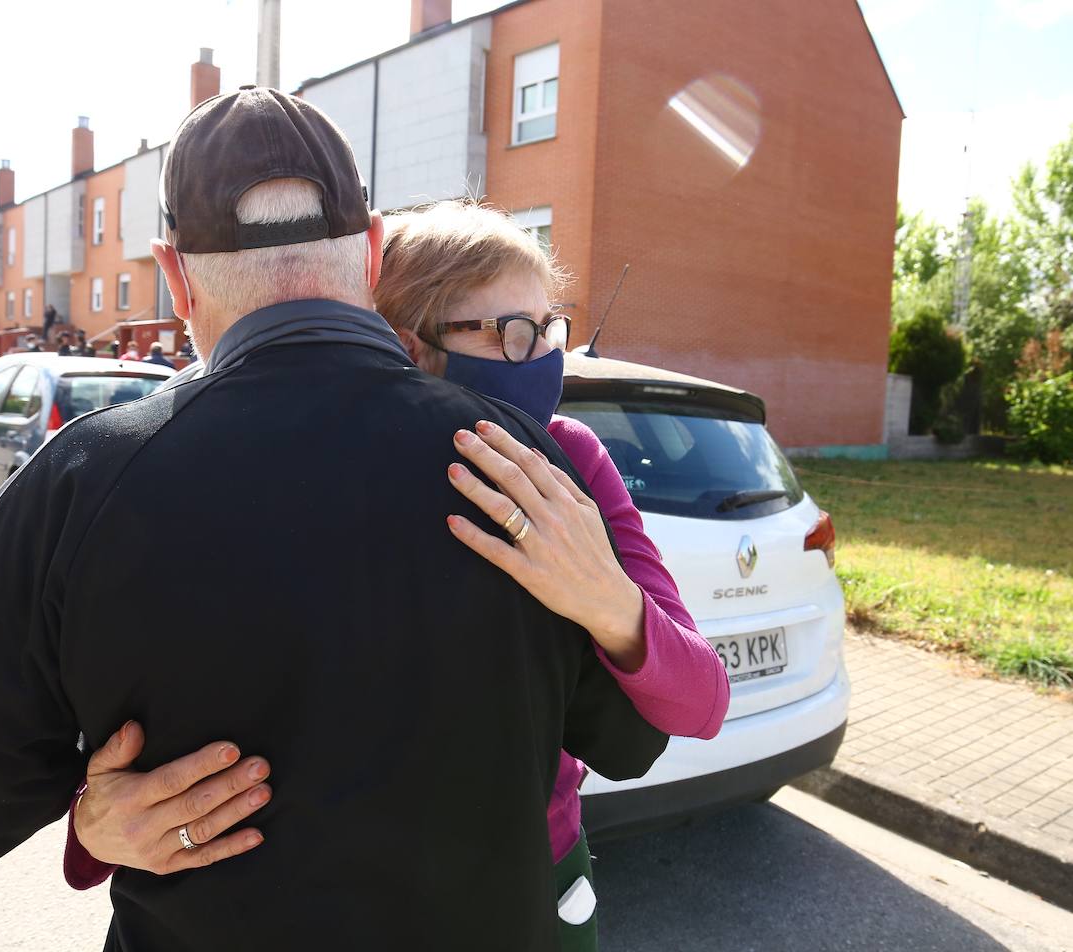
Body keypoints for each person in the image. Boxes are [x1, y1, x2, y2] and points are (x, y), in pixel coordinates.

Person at [0, 87, 667, 951]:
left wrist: (90, 813)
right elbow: (630, 736)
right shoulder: (515, 462)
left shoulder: (87, 478)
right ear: (371, 251)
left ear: (174, 276)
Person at [63, 201, 730, 950]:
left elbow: (701, 703)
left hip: (526, 884)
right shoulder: (292, 465)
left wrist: (605, 598)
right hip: (297, 890)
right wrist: (95, 824)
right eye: (513, 333)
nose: (545, 358)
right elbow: (173, 688)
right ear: (408, 347)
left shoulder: (570, 462)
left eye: (550, 329)